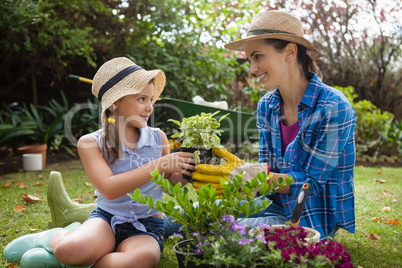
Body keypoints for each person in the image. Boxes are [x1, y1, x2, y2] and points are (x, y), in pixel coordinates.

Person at [3, 57, 195, 267]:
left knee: (143, 259)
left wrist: (188, 171)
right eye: (141, 99)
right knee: (70, 249)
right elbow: (109, 189)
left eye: (151, 100)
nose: (149, 107)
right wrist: (159, 164)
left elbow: (171, 185)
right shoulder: (90, 143)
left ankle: (74, 262)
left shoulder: (159, 138)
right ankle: (55, 237)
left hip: (147, 225)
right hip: (106, 219)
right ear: (115, 102)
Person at [187, 10, 356, 240]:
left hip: (308, 214)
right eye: (250, 60)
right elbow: (269, 170)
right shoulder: (267, 105)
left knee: (218, 229)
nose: (252, 69)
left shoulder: (334, 107)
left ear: (289, 52)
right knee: (194, 214)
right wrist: (242, 185)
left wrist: (254, 175)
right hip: (272, 202)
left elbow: (311, 183)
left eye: (258, 56)